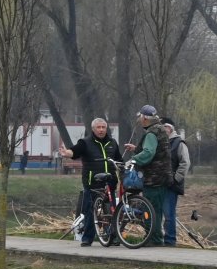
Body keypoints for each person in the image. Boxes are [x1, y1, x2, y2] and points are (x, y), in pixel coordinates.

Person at [66, 117, 120, 245]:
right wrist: (67, 153)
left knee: (111, 210)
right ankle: (87, 238)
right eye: (98, 127)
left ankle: (111, 237)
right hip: (92, 182)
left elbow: (119, 159)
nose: (101, 130)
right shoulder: (85, 142)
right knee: (90, 211)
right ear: (93, 129)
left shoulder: (112, 143)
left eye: (103, 127)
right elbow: (74, 151)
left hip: (109, 182)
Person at [129, 104, 177, 246]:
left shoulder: (151, 133)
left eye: (140, 117)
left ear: (144, 118)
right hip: (162, 177)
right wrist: (137, 149)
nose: (139, 120)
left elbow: (149, 153)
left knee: (151, 210)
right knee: (157, 210)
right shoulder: (160, 129)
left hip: (154, 178)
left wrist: (133, 159)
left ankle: (154, 240)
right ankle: (156, 238)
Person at [165, 123, 192, 247]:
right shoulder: (161, 143)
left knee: (169, 213)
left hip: (172, 185)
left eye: (162, 128)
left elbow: (185, 163)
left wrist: (175, 179)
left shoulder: (179, 143)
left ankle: (170, 240)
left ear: (169, 129)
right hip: (161, 183)